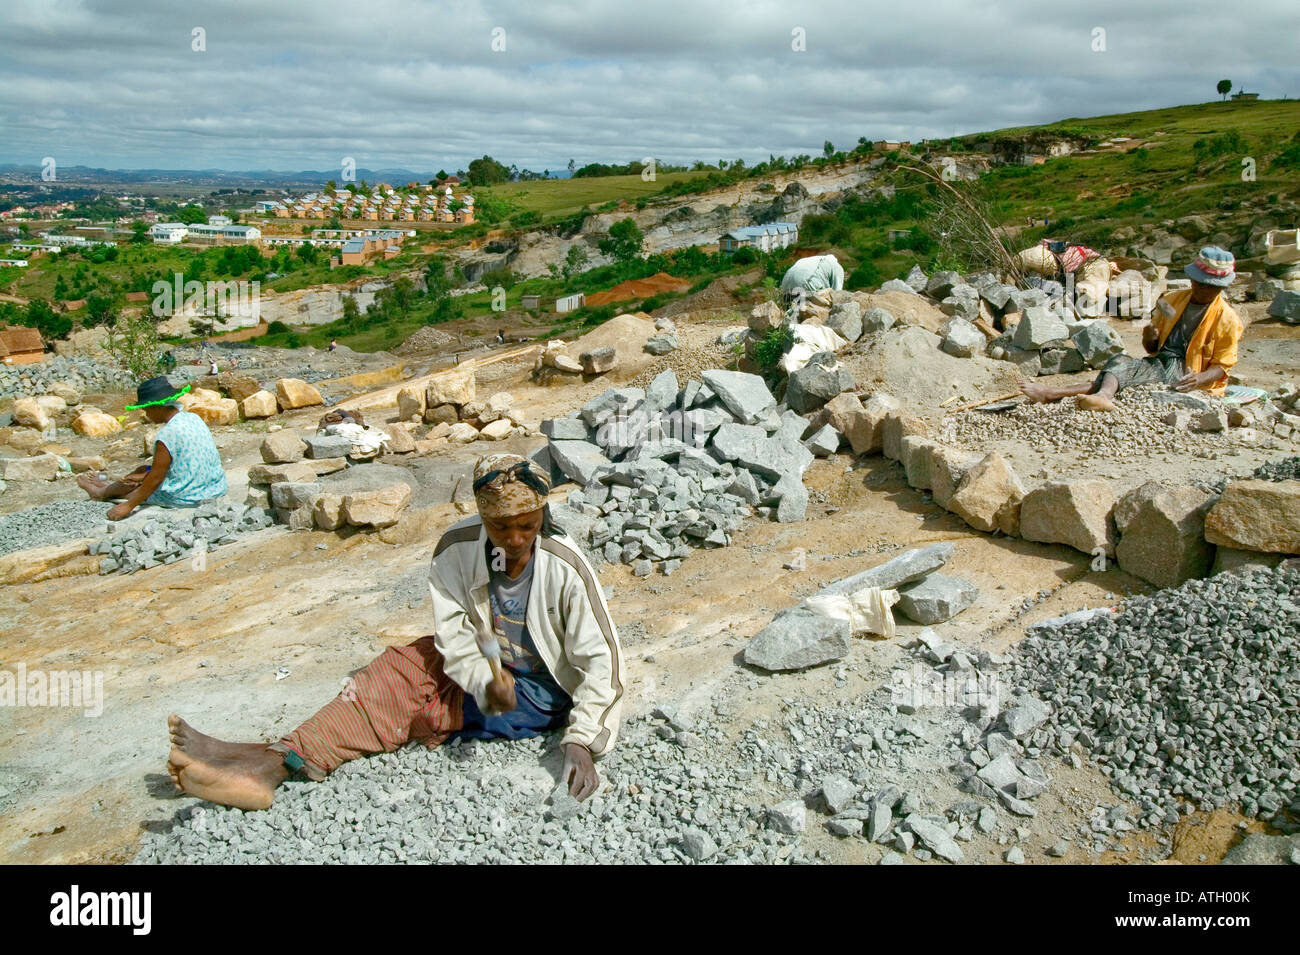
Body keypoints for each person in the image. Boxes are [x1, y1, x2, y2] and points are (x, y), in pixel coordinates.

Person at [165, 452, 625, 810]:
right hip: (489, 667)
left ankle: (271, 763)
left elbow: (603, 661)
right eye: (500, 527)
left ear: (543, 515)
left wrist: (581, 741)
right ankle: (269, 759)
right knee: (394, 671)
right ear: (483, 518)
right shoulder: (456, 547)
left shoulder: (566, 568)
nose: (515, 539)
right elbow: (455, 629)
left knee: (419, 707)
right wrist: (483, 675)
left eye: (527, 525)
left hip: (542, 690)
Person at [1021, 247, 1242, 412]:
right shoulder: (1171, 301)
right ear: (1192, 280)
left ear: (1221, 288)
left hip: (1187, 372)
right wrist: (1149, 336)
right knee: (1120, 361)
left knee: (1122, 373)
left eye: (1211, 287)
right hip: (1162, 362)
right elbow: (1151, 347)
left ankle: (1057, 393)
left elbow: (1223, 367)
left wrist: (1200, 379)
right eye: (1200, 283)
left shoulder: (1228, 319)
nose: (1203, 289)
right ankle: (1094, 395)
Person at [77, 376, 227, 520]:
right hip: (214, 488)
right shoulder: (193, 418)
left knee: (137, 489)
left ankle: (101, 492)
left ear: (157, 407)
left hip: (189, 496)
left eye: (147, 409)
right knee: (143, 471)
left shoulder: (166, 435)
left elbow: (156, 477)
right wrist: (145, 475)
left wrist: (128, 506)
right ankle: (105, 485)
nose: (146, 413)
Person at [779, 253, 844, 304]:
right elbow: (837, 293)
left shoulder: (808, 260)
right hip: (806, 285)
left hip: (785, 286)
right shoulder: (836, 266)